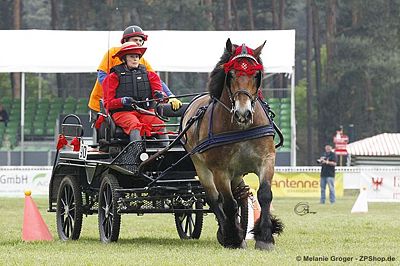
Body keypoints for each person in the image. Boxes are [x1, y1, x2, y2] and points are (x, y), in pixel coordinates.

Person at [88, 25, 182, 115]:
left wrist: (170, 96)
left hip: (129, 107)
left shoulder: (142, 61)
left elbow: (156, 80)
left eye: (140, 40)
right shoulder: (112, 53)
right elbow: (101, 76)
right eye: (135, 40)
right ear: (125, 41)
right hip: (101, 104)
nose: (138, 43)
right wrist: (120, 95)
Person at [102, 42, 166, 142]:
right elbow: (107, 104)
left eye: (137, 56)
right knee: (134, 124)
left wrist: (161, 96)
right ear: (124, 59)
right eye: (132, 56)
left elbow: (160, 97)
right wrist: (122, 101)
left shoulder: (151, 75)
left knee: (159, 123)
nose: (135, 59)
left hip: (145, 112)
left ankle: (165, 151)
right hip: (122, 113)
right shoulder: (112, 77)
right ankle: (137, 154)